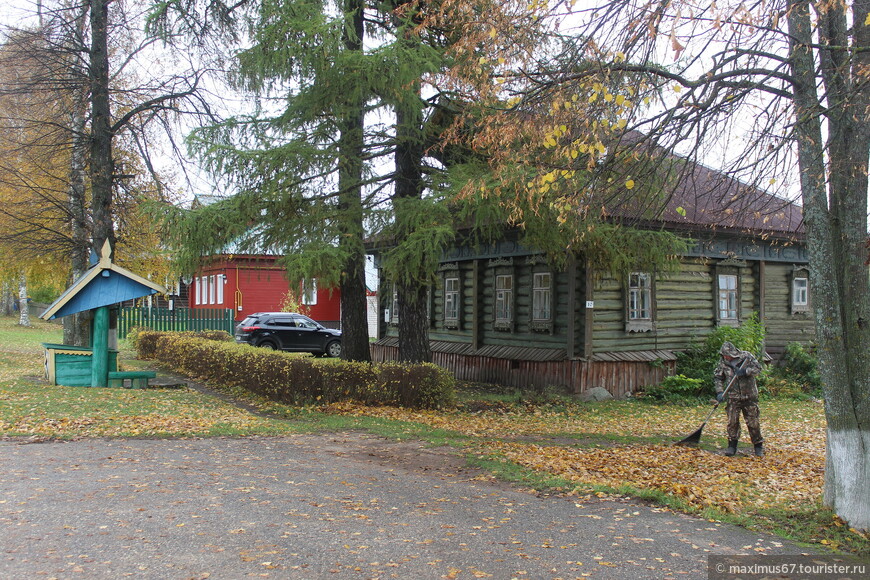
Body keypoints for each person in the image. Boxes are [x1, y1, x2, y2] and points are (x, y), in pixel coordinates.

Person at [714, 341, 764, 457]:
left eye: (727, 355)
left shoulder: (746, 357)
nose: (726, 357)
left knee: (753, 422)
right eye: (724, 355)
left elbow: (758, 369)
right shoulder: (723, 363)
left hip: (749, 396)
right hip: (733, 397)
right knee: (732, 422)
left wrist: (745, 371)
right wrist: (720, 392)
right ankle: (732, 446)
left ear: (733, 353)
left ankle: (758, 446)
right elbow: (718, 378)